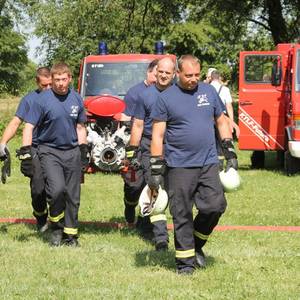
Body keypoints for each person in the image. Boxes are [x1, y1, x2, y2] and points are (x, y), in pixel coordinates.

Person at [150, 55, 238, 275]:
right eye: (188, 75)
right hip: (179, 165)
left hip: (208, 161)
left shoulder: (208, 92)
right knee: (182, 213)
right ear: (177, 73)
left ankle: (196, 244)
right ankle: (185, 264)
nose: (193, 79)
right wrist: (155, 167)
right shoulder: (165, 98)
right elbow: (158, 135)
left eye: (197, 75)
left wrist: (229, 149)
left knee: (215, 206)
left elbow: (221, 121)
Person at [21, 62, 88, 247]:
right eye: (56, 79)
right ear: (52, 79)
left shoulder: (76, 99)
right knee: (57, 190)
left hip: (72, 151)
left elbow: (81, 127)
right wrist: (26, 152)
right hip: (49, 151)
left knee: (73, 196)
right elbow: (28, 127)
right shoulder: (41, 100)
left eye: (63, 79)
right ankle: (56, 229)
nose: (60, 83)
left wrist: (83, 149)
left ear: (70, 79)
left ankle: (71, 235)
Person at [126, 57, 175, 251]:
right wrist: (132, 151)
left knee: (171, 189)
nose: (162, 75)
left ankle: (144, 223)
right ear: (155, 72)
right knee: (155, 186)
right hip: (148, 146)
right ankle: (161, 238)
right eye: (160, 72)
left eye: (167, 73)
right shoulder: (144, 96)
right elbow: (137, 125)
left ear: (174, 74)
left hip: (172, 146)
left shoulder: (179, 94)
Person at [0, 67, 52, 232]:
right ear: (37, 82)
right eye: (45, 85)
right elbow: (16, 123)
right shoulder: (29, 100)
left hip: (55, 148)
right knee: (38, 189)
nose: (49, 89)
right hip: (35, 147)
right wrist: (3, 143)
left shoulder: (60, 96)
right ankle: (41, 218)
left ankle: (60, 222)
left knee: (58, 188)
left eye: (50, 84)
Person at [120, 59, 158, 227]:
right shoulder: (134, 93)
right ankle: (129, 208)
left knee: (152, 183)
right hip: (136, 143)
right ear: (148, 73)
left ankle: (145, 223)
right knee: (134, 185)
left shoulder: (166, 92)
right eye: (156, 74)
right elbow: (125, 120)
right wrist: (130, 150)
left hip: (156, 144)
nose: (159, 78)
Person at [210, 70, 240, 137]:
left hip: (209, 118)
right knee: (224, 139)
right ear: (219, 78)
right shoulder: (225, 89)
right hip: (223, 117)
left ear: (211, 78)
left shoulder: (206, 89)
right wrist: (231, 122)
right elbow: (229, 106)